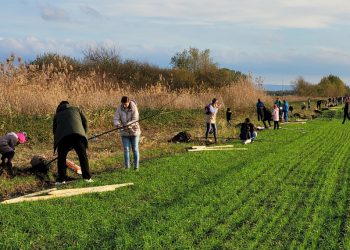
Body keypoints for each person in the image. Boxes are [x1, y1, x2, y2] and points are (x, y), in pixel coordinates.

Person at [53, 101, 92, 184]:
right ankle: (87, 178)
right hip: (78, 136)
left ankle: (61, 179)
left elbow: (54, 130)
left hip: (63, 138)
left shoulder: (57, 115)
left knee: (61, 158)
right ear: (68, 104)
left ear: (59, 107)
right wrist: (84, 133)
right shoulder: (77, 109)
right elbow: (85, 122)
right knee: (82, 156)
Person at [113, 96, 141, 171]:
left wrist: (128, 125)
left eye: (125, 104)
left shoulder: (134, 107)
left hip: (134, 131)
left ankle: (136, 167)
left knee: (135, 149)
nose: (124, 105)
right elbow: (115, 118)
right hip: (124, 132)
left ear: (128, 102)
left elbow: (135, 119)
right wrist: (118, 125)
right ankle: (127, 167)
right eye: (123, 104)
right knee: (126, 149)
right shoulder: (119, 107)